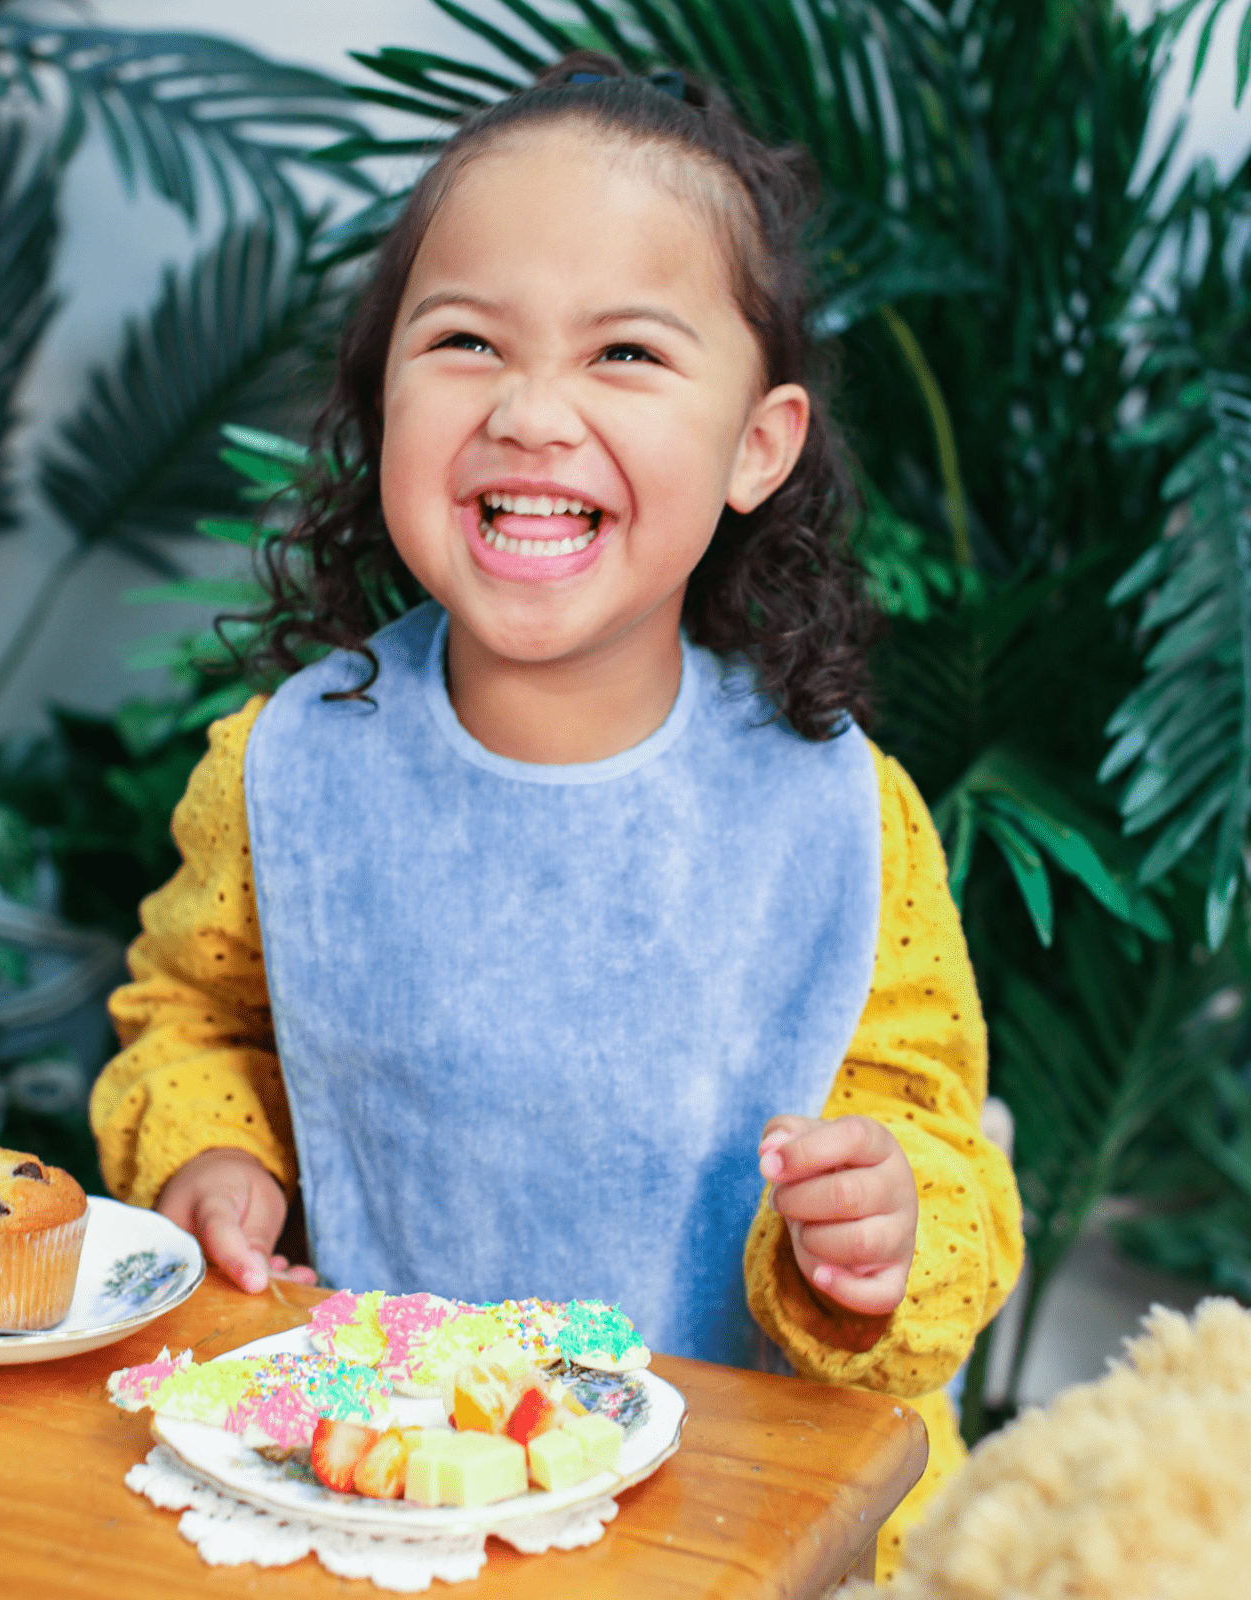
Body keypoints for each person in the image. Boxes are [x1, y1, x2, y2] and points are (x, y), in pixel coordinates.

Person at [89, 52, 1022, 1577]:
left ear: (757, 444)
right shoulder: (285, 771)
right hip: (378, 1503)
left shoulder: (839, 815)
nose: (531, 412)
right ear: (379, 388)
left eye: (626, 357)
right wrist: (211, 1155)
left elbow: (940, 1149)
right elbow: (193, 1026)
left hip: (746, 1529)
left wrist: (885, 1225)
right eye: (464, 341)